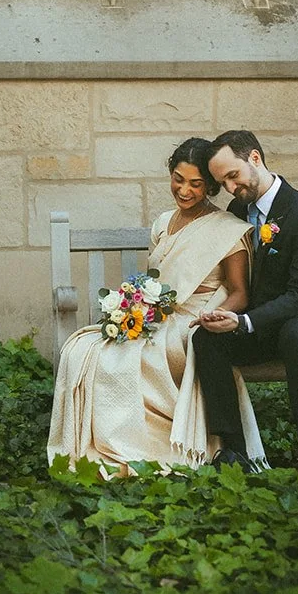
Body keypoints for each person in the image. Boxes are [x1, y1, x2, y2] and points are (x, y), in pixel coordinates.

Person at [47, 137, 265, 476]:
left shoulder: (228, 230)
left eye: (195, 184)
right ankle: (109, 442)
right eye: (178, 178)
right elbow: (163, 278)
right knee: (86, 349)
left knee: (132, 354)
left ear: (209, 186)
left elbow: (239, 291)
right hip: (160, 314)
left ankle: (154, 445)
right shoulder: (164, 223)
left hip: (196, 317)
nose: (184, 190)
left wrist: (218, 316)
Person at [195, 129, 298, 469]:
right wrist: (225, 315)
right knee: (207, 339)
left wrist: (245, 321)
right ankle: (234, 451)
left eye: (233, 176)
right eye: (224, 183)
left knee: (295, 333)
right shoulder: (238, 208)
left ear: (255, 159)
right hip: (259, 324)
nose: (232, 189)